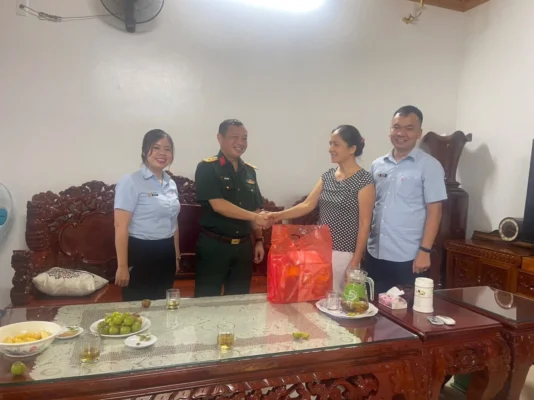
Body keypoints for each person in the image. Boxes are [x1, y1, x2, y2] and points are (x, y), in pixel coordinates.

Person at [267, 125, 375, 293]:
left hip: (344, 253)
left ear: (352, 149)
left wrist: (355, 262)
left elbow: (364, 224)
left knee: (338, 298)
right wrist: (276, 215)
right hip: (319, 248)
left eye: (336, 144)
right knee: (317, 295)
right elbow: (307, 205)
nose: (330, 149)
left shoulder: (364, 180)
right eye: (330, 144)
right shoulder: (327, 176)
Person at [365, 105, 447, 295]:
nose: (401, 133)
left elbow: (435, 212)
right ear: (390, 130)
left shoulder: (430, 166)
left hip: (409, 257)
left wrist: (425, 251)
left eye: (409, 128)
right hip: (375, 252)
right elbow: (369, 207)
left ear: (419, 133)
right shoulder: (377, 165)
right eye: (396, 127)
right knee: (372, 305)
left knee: (405, 309)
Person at [194, 119, 269, 298]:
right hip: (214, 246)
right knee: (206, 301)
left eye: (244, 138)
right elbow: (219, 205)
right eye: (235, 137)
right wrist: (254, 217)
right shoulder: (207, 168)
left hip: (243, 248)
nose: (241, 142)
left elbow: (255, 209)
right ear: (220, 138)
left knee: (239, 300)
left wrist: (259, 240)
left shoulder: (249, 171)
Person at [114, 129, 181, 301]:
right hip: (141, 252)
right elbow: (120, 226)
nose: (162, 153)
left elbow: (173, 223)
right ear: (145, 151)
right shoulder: (130, 182)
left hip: (167, 252)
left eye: (167, 149)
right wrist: (122, 266)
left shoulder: (171, 183)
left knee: (164, 305)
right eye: (156, 147)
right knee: (138, 307)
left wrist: (176, 255)